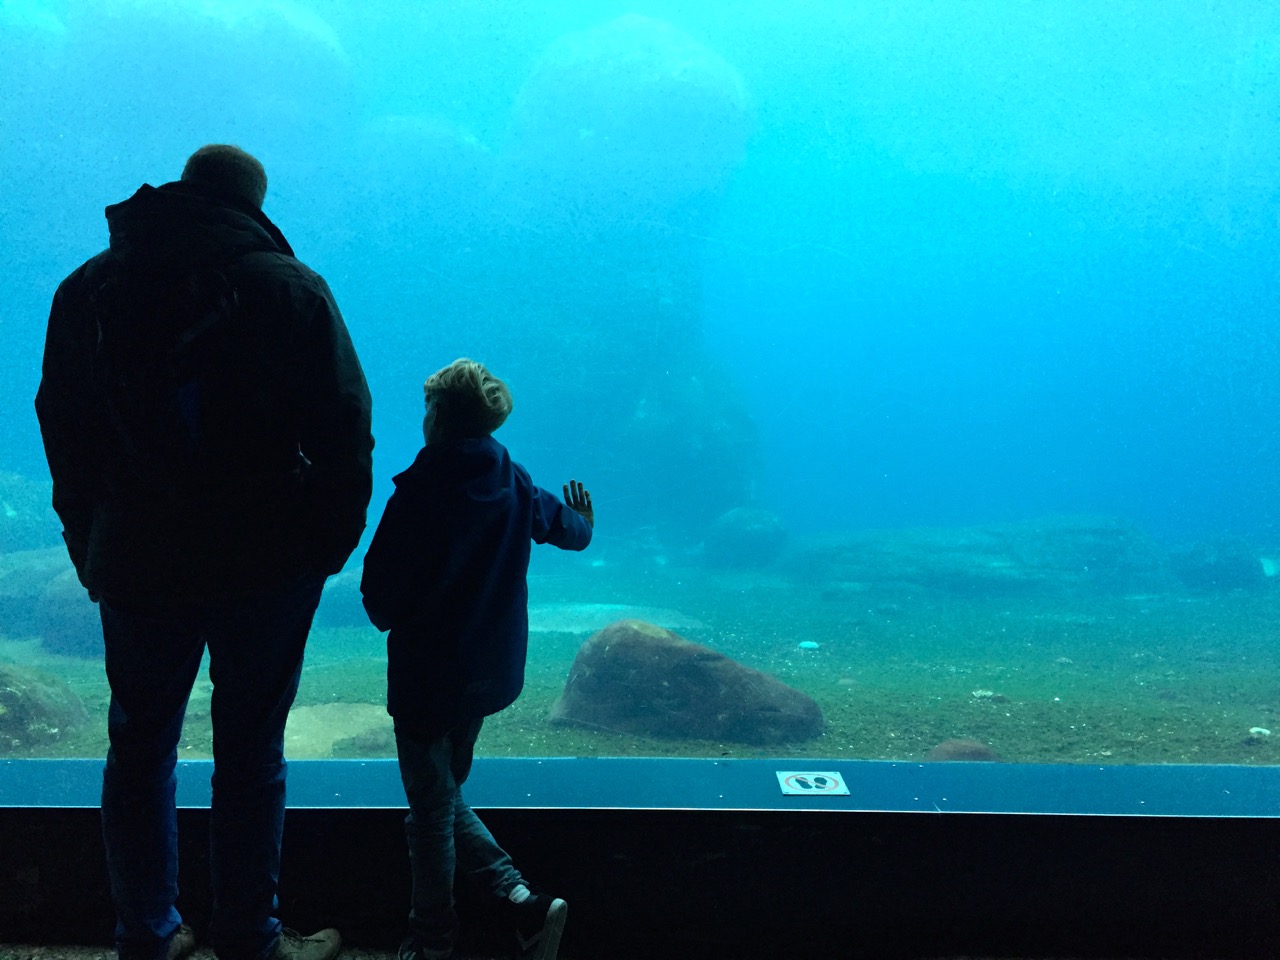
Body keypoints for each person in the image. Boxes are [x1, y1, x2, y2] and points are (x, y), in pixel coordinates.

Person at [35, 145, 374, 960]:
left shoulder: (87, 289)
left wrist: (90, 541)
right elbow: (344, 433)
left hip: (138, 563)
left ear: (186, 190)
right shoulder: (292, 289)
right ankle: (250, 937)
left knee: (139, 744)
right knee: (251, 750)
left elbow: (62, 425)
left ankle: (147, 934)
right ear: (255, 203)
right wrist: (323, 550)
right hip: (266, 565)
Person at [360, 358, 594, 960]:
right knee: (441, 795)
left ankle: (435, 939)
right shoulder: (511, 478)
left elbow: (381, 601)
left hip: (426, 681)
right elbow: (566, 528)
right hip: (488, 677)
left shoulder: (419, 493)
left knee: (432, 813)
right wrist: (584, 523)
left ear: (438, 416)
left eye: (428, 406)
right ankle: (518, 902)